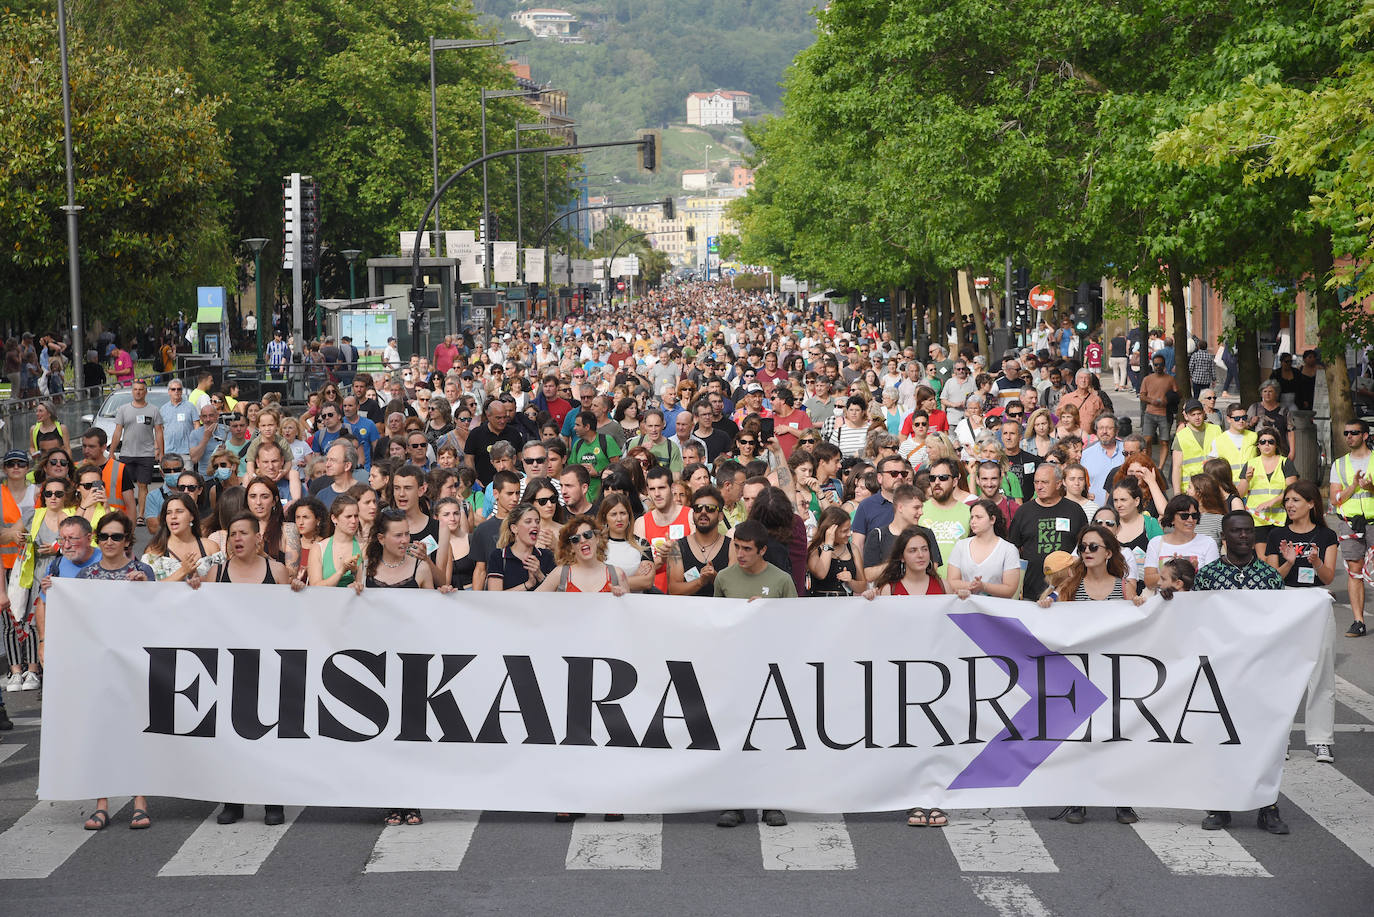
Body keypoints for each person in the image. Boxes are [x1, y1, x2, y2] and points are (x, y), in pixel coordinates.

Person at [1039, 524, 1144, 827]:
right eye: (1083, 547)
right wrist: (1046, 604)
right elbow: (1051, 608)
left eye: (1093, 547)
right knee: (1080, 739)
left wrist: (1138, 604)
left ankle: (1121, 801)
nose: (1086, 552)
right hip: (1080, 676)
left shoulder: (1124, 586)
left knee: (1116, 737)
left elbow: (1138, 625)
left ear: (1108, 552)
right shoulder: (1071, 585)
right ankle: (1077, 799)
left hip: (1114, 673)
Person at [1193, 510, 1291, 835]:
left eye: (1248, 531)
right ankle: (1220, 807)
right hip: (1220, 672)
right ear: (1225, 535)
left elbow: (1282, 625)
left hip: (1259, 672)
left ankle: (1268, 807)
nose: (1244, 537)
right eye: (1237, 532)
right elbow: (1193, 622)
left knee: (1264, 743)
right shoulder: (1206, 577)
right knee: (1220, 741)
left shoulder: (1270, 577)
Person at [1257, 480, 1338, 764]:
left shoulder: (1326, 535)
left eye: (1296, 500)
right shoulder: (1276, 534)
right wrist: (1289, 561)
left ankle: (1321, 740)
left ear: (1311, 504)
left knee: (1322, 671)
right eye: (1287, 501)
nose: (1290, 505)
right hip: (1285, 600)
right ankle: (1281, 738)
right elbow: (1270, 578)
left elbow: (1328, 577)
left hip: (1316, 600)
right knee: (1282, 672)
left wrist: (1315, 561)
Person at [1008, 464, 1088, 601]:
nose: (1039, 487)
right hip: (1030, 592)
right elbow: (1012, 549)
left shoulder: (1074, 511)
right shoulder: (1023, 512)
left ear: (1058, 484)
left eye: (1044, 482)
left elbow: (1085, 548)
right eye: (1036, 482)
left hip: (1067, 592)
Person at [1329, 418, 1372, 637]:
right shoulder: (1339, 464)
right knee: (1354, 571)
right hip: (1350, 522)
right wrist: (1354, 486)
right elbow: (1334, 499)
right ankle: (1358, 621)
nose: (1349, 437)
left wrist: (1370, 487)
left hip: (1373, 522)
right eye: (1346, 433)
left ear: (1365, 435)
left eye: (1354, 432)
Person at [1141, 494, 1219, 591]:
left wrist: (1192, 570)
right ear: (1172, 518)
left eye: (1194, 516)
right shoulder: (1156, 543)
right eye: (1184, 516)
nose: (1190, 520)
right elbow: (1149, 582)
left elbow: (1213, 581)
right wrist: (1172, 571)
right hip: (1164, 603)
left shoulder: (1208, 543)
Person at [945, 499, 1021, 599]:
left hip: (996, 610)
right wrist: (972, 585)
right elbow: (951, 581)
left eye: (978, 517)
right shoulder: (961, 545)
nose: (973, 521)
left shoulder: (1008, 549)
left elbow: (1010, 589)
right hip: (965, 608)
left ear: (992, 519)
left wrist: (983, 586)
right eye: (972, 517)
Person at [536, 515, 629, 595]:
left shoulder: (617, 574)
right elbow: (533, 600)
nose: (583, 540)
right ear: (571, 547)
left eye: (587, 534)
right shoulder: (560, 574)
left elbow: (629, 611)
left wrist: (622, 598)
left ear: (597, 538)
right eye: (575, 539)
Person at [1237, 425, 1297, 542]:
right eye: (1263, 442)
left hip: (1280, 518)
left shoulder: (1285, 463)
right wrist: (1247, 479)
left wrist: (1272, 501)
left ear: (1276, 444)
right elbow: (1239, 493)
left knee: (1278, 557)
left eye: (1271, 442)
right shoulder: (1250, 464)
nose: (1266, 445)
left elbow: (1292, 491)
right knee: (1262, 557)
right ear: (1258, 445)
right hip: (1257, 520)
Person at [484, 502, 555, 591]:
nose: (535, 525)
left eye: (537, 522)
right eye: (528, 521)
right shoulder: (499, 556)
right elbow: (495, 597)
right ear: (514, 528)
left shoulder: (547, 555)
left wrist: (540, 575)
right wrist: (528, 584)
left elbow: (556, 596)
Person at [861, 527, 945, 598]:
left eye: (924, 549)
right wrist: (869, 601)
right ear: (902, 557)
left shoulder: (944, 586)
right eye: (913, 550)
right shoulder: (888, 589)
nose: (920, 555)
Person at [921, 458, 971, 578]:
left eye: (943, 477)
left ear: (954, 481)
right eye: (932, 478)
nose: (937, 482)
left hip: (958, 587)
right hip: (926, 586)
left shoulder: (969, 512)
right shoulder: (919, 510)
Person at [806, 506, 865, 596]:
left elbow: (862, 586)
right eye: (845, 531)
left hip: (846, 603)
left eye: (850, 529)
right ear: (831, 530)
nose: (849, 534)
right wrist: (829, 543)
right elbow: (821, 574)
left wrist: (851, 581)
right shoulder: (814, 547)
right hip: (820, 603)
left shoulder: (852, 549)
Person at [1170, 399, 1221, 495]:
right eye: (1193, 415)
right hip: (1190, 488)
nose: (1197, 417)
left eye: (1199, 414)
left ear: (1204, 413)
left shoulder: (1216, 430)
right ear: (1186, 416)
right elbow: (1177, 467)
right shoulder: (1181, 436)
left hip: (1213, 485)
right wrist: (1177, 494)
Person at [1138, 353, 1177, 467]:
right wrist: (1151, 400)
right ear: (1153, 365)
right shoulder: (1147, 379)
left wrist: (1168, 399)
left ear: (1164, 365)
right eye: (1156, 365)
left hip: (1164, 414)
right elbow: (1142, 395)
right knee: (1147, 440)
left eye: (1160, 364)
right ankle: (1149, 464)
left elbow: (1177, 393)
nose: (1158, 367)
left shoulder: (1170, 379)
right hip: (1150, 413)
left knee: (1164, 441)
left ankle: (1160, 467)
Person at [1079, 415, 1124, 506]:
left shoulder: (1127, 451)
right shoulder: (1085, 454)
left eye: (1109, 428)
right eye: (1101, 428)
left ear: (1116, 431)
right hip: (1094, 510)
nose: (1104, 432)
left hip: (1124, 510)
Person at [1209, 404, 1259, 480]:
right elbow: (1212, 468)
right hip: (1229, 486)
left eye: (1244, 418)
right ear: (1228, 419)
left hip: (1253, 485)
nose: (1241, 421)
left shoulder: (1255, 437)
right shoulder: (1218, 440)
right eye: (1237, 418)